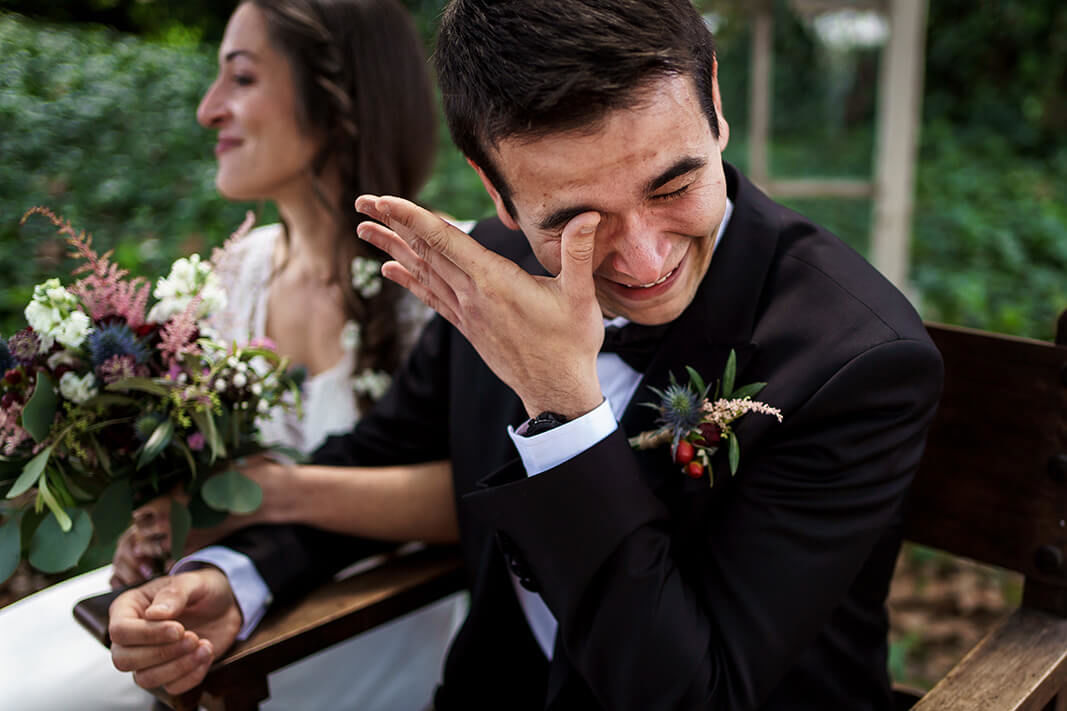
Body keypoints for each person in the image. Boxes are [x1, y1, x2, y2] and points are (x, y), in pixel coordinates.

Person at [108, 0, 945, 708]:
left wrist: (564, 407)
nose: (646, 261)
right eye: (573, 222)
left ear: (714, 102)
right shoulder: (490, 270)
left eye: (673, 185)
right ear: (492, 189)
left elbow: (701, 690)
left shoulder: (856, 359)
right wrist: (236, 579)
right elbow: (382, 453)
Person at [0, 1, 466, 709]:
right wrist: (169, 529)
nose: (207, 109)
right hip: (231, 596)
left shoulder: (450, 271)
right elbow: (212, 491)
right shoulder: (228, 280)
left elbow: (478, 496)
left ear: (336, 94)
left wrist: (270, 491)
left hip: (360, 621)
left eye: (240, 79)